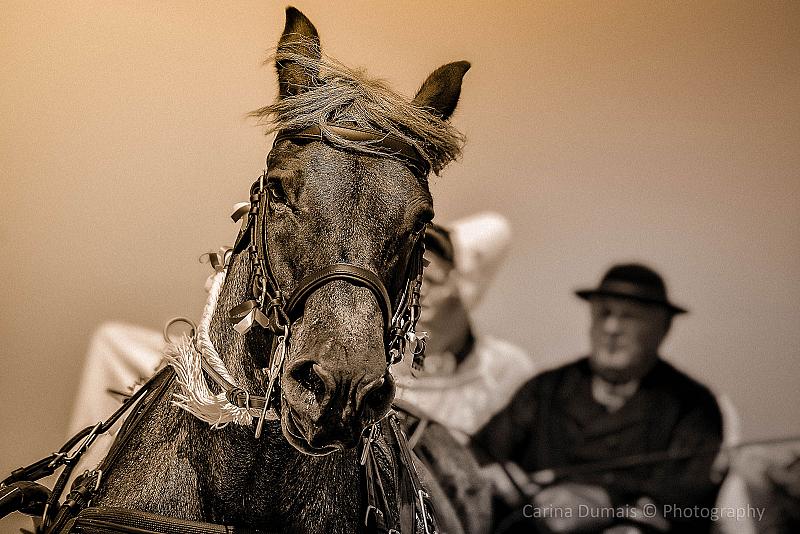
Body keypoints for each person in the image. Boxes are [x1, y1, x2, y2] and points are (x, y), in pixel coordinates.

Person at [472, 263, 724, 534]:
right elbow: (477, 453)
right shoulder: (546, 388)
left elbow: (687, 502)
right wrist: (497, 474)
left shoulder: (693, 408)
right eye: (604, 313)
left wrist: (608, 502)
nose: (612, 328)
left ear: (663, 328)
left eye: (629, 317)